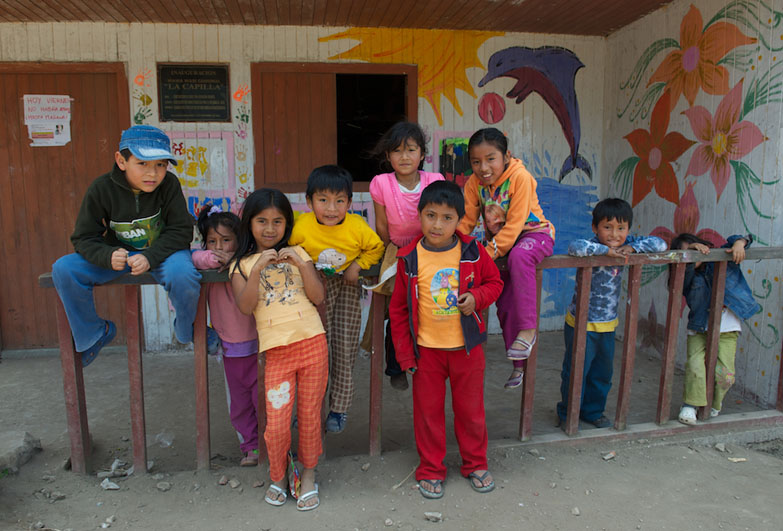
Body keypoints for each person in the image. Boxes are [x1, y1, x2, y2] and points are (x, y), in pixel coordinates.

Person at [389, 181, 504, 499]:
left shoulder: (472, 251)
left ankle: (475, 464)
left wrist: (477, 297)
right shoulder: (408, 258)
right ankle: (430, 469)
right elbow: (398, 311)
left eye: (447, 217)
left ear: (460, 220)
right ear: (420, 215)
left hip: (467, 350)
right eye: (430, 215)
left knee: (471, 411)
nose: (437, 224)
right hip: (426, 352)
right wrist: (405, 357)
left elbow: (495, 282)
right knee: (428, 415)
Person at [52, 125, 201, 366]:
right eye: (142, 163)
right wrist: (106, 254)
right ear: (121, 161)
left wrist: (151, 257)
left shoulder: (169, 185)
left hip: (163, 255)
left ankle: (186, 330)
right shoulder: (101, 189)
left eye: (160, 165)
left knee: (183, 274)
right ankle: (93, 333)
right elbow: (83, 237)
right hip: (119, 257)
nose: (152, 173)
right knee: (63, 269)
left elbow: (181, 230)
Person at [231, 189, 327, 511]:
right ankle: (279, 476)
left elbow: (318, 296)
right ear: (250, 223)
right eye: (262, 221)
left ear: (287, 224)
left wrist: (301, 262)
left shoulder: (299, 253)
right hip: (277, 354)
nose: (270, 229)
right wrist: (257, 269)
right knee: (277, 423)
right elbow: (245, 307)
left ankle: (309, 476)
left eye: (277, 221)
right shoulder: (241, 266)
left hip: (313, 344)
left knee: (311, 416)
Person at [457, 127, 555, 390]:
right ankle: (518, 365)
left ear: (506, 156)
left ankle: (529, 330)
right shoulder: (474, 184)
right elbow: (466, 221)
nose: (483, 167)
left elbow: (514, 226)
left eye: (491, 159)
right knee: (503, 299)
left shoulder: (520, 177)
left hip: (534, 235)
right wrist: (452, 247)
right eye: (476, 162)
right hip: (503, 247)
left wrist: (486, 253)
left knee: (521, 256)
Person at [289, 165, 384, 433]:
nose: (332, 208)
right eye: (323, 200)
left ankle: (339, 408)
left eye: (339, 201)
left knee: (344, 347)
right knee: (312, 351)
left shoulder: (357, 226)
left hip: (346, 289)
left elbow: (376, 248)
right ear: (309, 202)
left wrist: (359, 265)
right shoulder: (301, 226)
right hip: (312, 291)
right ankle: (307, 409)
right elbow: (288, 250)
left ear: (350, 203)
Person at [557, 198, 667, 428]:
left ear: (628, 229)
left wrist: (634, 247)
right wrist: (607, 251)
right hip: (581, 323)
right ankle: (568, 413)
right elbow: (574, 247)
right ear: (595, 228)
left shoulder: (629, 243)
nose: (615, 234)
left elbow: (660, 245)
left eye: (621, 228)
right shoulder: (591, 245)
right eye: (607, 227)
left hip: (607, 325)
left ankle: (593, 412)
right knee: (575, 372)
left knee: (602, 374)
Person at [369, 121, 445, 390]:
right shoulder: (380, 183)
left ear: (422, 154)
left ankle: (426, 360)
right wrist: (393, 254)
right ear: (388, 156)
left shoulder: (435, 181)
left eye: (411, 150)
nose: (404, 157)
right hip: (398, 252)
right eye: (397, 151)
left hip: (431, 251)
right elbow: (381, 225)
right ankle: (395, 366)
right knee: (396, 311)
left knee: (429, 307)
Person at [191, 204, 260, 466]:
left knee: (264, 399)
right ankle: (250, 447)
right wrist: (211, 258)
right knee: (240, 403)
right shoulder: (208, 263)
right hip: (230, 350)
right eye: (212, 241)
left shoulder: (249, 261)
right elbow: (193, 257)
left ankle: (272, 444)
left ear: (239, 239)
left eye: (226, 240)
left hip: (260, 345)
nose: (219, 247)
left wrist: (233, 261)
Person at [672, 233, 761, 425]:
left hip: (728, 329)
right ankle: (690, 405)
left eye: (697, 248)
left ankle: (714, 402)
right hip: (699, 327)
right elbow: (680, 280)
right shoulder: (688, 278)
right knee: (696, 367)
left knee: (726, 375)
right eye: (688, 252)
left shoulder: (722, 259)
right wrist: (690, 256)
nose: (696, 254)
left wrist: (739, 244)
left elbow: (744, 238)